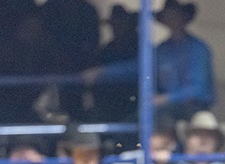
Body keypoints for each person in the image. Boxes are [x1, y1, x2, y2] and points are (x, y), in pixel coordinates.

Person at [82, 0, 214, 122]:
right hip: (166, 112)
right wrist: (103, 72)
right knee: (134, 123)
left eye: (175, 14)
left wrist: (165, 98)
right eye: (168, 15)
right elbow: (138, 68)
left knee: (148, 117)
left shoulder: (198, 49)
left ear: (184, 18)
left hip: (192, 110)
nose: (171, 18)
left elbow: (200, 89)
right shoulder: (162, 49)